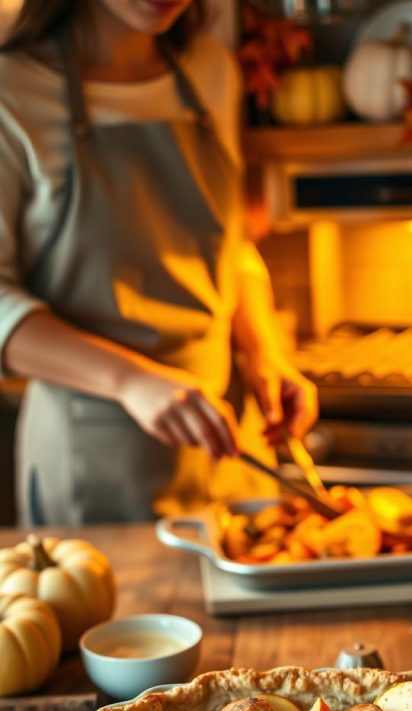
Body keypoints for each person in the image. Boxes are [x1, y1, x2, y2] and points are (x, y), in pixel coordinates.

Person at [0, 0, 318, 525]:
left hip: (232, 450)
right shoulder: (12, 90)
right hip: (93, 466)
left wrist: (263, 353)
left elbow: (229, 246)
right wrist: (131, 381)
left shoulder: (210, 71)